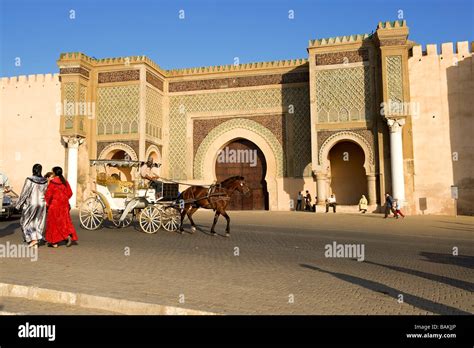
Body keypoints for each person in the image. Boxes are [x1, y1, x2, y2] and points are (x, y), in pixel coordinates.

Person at [15, 164, 48, 247]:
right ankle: (36, 239)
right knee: (38, 221)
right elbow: (46, 192)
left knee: (26, 221)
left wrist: (18, 205)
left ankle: (33, 239)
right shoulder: (45, 180)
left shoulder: (29, 179)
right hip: (41, 203)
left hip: (31, 203)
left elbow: (25, 192)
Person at [45, 167, 78, 248]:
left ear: (54, 173)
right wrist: (64, 199)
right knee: (64, 222)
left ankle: (55, 242)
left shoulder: (53, 182)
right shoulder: (65, 182)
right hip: (64, 206)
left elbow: (48, 195)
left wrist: (47, 204)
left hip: (54, 205)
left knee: (53, 223)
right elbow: (70, 193)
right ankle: (67, 236)